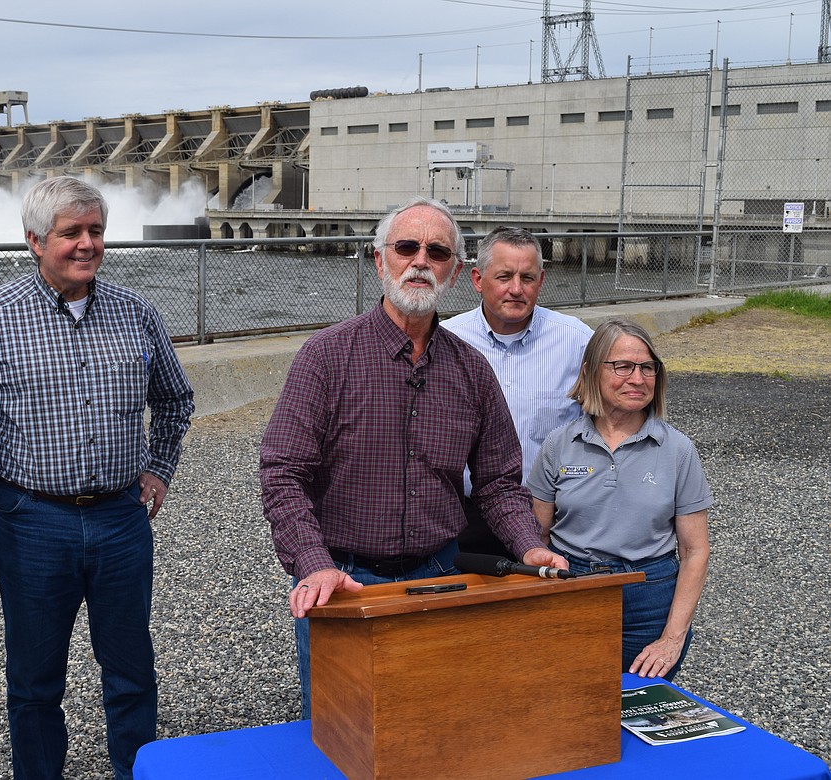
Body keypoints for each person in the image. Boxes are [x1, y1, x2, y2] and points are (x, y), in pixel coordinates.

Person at [0, 176, 194, 780]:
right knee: (35, 679)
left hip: (122, 517)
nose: (87, 244)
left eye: (96, 231)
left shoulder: (136, 313)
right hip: (32, 521)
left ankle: (135, 769)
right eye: (71, 233)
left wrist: (158, 467)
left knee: (130, 668)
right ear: (34, 242)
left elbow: (176, 399)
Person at [259, 196, 568, 719]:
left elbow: (497, 481)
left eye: (437, 251)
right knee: (343, 729)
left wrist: (526, 546)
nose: (420, 261)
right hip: (346, 582)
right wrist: (313, 565)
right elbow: (284, 473)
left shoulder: (470, 371)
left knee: (434, 722)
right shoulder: (326, 357)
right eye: (406, 247)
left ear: (453, 272)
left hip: (439, 578)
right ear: (380, 260)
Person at [528, 318, 712, 681]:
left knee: (637, 712)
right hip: (572, 589)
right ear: (591, 371)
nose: (638, 379)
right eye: (623, 367)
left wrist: (672, 639)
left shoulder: (678, 450)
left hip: (650, 599)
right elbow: (538, 537)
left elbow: (695, 551)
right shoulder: (559, 444)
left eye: (647, 368)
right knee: (568, 704)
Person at [442, 226, 593, 558]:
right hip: (462, 520)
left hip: (551, 520)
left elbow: (605, 432)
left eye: (527, 278)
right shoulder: (445, 342)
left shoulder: (578, 343)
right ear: (478, 279)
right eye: (504, 276)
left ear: (541, 281)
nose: (516, 289)